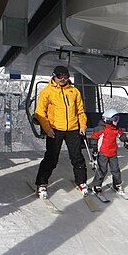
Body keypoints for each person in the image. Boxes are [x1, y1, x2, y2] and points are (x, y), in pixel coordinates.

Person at [34, 65, 88, 199]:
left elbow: (80, 111)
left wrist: (82, 125)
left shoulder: (74, 91)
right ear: (54, 76)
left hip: (73, 129)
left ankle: (81, 181)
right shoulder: (47, 92)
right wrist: (47, 129)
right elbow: (40, 112)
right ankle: (42, 183)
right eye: (60, 76)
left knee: (77, 157)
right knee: (51, 158)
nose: (63, 79)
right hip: (55, 129)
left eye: (65, 76)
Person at [90, 109, 128, 194]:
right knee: (102, 170)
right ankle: (97, 185)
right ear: (108, 119)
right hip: (103, 153)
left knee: (115, 170)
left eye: (118, 119)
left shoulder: (116, 128)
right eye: (115, 119)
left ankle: (117, 184)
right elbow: (94, 138)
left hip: (113, 153)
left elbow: (121, 134)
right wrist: (94, 148)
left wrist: (125, 141)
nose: (117, 121)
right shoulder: (101, 129)